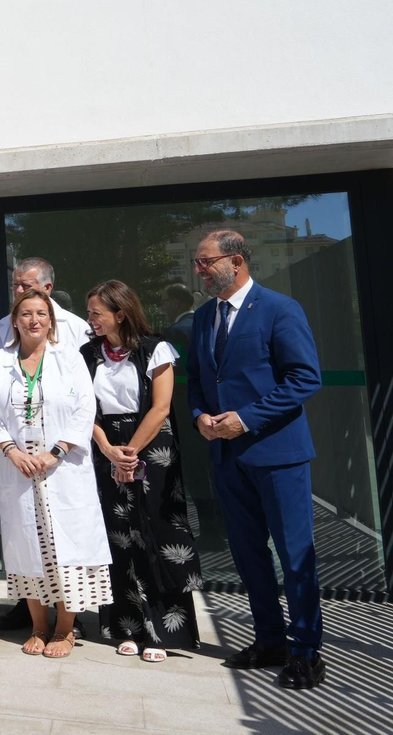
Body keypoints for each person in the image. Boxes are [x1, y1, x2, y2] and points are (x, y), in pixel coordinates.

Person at [187, 230, 324, 689]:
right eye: (198, 262)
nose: (199, 269)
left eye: (206, 262)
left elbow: (305, 378)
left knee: (294, 554)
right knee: (248, 555)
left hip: (278, 454)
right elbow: (198, 383)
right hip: (228, 458)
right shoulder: (205, 316)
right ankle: (270, 641)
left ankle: (307, 652)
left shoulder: (280, 309)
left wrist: (245, 419)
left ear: (237, 261)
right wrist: (200, 417)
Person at [0, 289, 113, 659]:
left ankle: (65, 629)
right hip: (18, 470)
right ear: (14, 320)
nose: (33, 320)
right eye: (26, 314)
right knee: (28, 548)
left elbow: (86, 408)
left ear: (51, 320)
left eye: (41, 313)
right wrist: (11, 451)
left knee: (65, 547)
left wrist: (57, 452)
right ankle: (38, 626)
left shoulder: (68, 358)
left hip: (62, 469)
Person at [83, 280, 202, 662]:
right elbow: (84, 410)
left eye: (96, 312)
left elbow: (162, 406)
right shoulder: (86, 353)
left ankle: (164, 632)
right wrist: (107, 448)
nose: (91, 319)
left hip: (150, 445)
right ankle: (126, 626)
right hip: (105, 444)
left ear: (120, 312)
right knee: (118, 537)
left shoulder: (156, 348)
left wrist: (130, 452)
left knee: (155, 530)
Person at [0, 258, 93, 350]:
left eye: (26, 286)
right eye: (15, 285)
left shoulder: (76, 327)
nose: (18, 291)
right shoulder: (1, 327)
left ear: (47, 288)